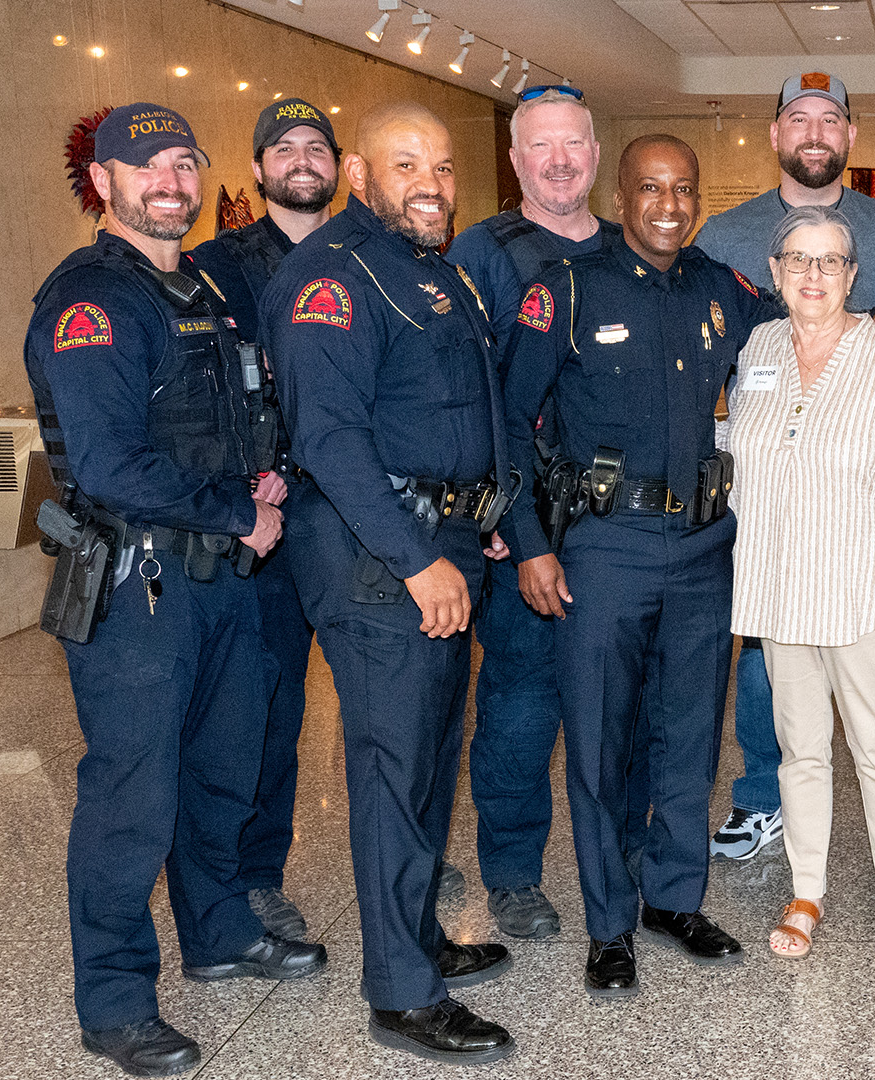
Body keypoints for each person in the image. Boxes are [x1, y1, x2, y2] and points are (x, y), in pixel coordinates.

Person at [24, 102, 325, 1078]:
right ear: (105, 182)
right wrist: (239, 513)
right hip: (136, 595)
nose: (170, 180)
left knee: (221, 777)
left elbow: (237, 412)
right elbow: (108, 464)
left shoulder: (202, 287)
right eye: (145, 164)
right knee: (131, 799)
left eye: (184, 163)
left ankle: (220, 933)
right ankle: (113, 1004)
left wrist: (265, 474)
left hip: (224, 586)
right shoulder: (90, 302)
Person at [500, 134, 786, 998]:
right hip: (605, 548)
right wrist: (531, 544)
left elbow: (799, 337)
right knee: (597, 738)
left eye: (684, 188)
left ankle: (673, 898)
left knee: (690, 737)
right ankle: (609, 924)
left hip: (704, 548)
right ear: (620, 196)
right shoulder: (567, 290)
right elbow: (510, 423)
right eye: (651, 188)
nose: (669, 203)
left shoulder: (721, 290)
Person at [262, 102, 515, 1064]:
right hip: (380, 563)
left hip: (440, 538)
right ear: (361, 174)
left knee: (425, 764)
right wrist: (418, 560)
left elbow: (451, 405)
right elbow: (328, 438)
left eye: (445, 168)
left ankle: (419, 943)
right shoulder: (333, 276)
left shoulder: (429, 270)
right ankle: (402, 997)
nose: (432, 184)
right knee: (388, 773)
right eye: (407, 164)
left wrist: (478, 518)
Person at [692, 70, 875, 863]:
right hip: (768, 481)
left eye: (830, 118)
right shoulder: (723, 235)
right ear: (776, 134)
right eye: (799, 118)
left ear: (851, 136)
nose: (815, 132)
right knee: (766, 658)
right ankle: (765, 795)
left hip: (858, 476)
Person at [446, 83, 637, 942]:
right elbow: (460, 393)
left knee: (619, 707)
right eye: (541, 148)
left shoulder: (632, 249)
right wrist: (503, 520)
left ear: (595, 155)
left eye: (574, 145)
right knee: (521, 710)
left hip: (619, 532)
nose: (560, 161)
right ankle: (515, 873)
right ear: (517, 160)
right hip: (520, 523)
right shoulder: (478, 252)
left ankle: (623, 857)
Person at [728, 205, 875, 968]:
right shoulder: (756, 346)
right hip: (780, 590)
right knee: (799, 751)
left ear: (854, 275)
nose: (812, 275)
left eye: (830, 262)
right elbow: (744, 456)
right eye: (798, 259)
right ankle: (807, 890)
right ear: (775, 270)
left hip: (862, 590)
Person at [187, 96, 342, 944]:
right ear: (256, 168)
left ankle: (407, 850)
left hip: (358, 514)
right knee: (268, 711)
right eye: (283, 147)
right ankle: (255, 878)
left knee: (392, 704)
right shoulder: (215, 268)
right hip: (270, 523)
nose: (300, 158)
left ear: (339, 164)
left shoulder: (369, 254)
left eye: (316, 145)